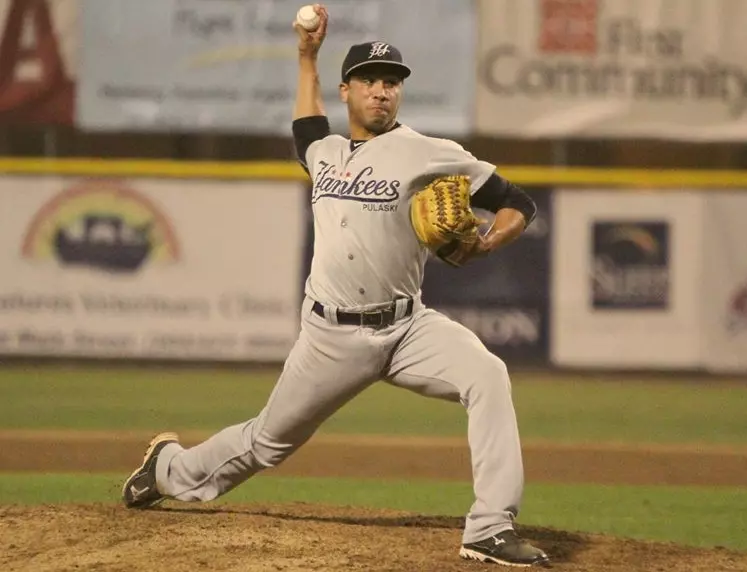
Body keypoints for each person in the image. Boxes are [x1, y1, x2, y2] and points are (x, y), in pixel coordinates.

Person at [122, 4, 550, 567]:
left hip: (407, 326)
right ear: (346, 91)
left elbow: (518, 203)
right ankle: (169, 469)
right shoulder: (321, 152)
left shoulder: (430, 153)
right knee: (265, 443)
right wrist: (306, 57)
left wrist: (488, 242)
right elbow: (305, 121)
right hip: (330, 336)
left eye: (392, 82)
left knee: (488, 375)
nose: (382, 91)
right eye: (370, 81)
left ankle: (490, 527)